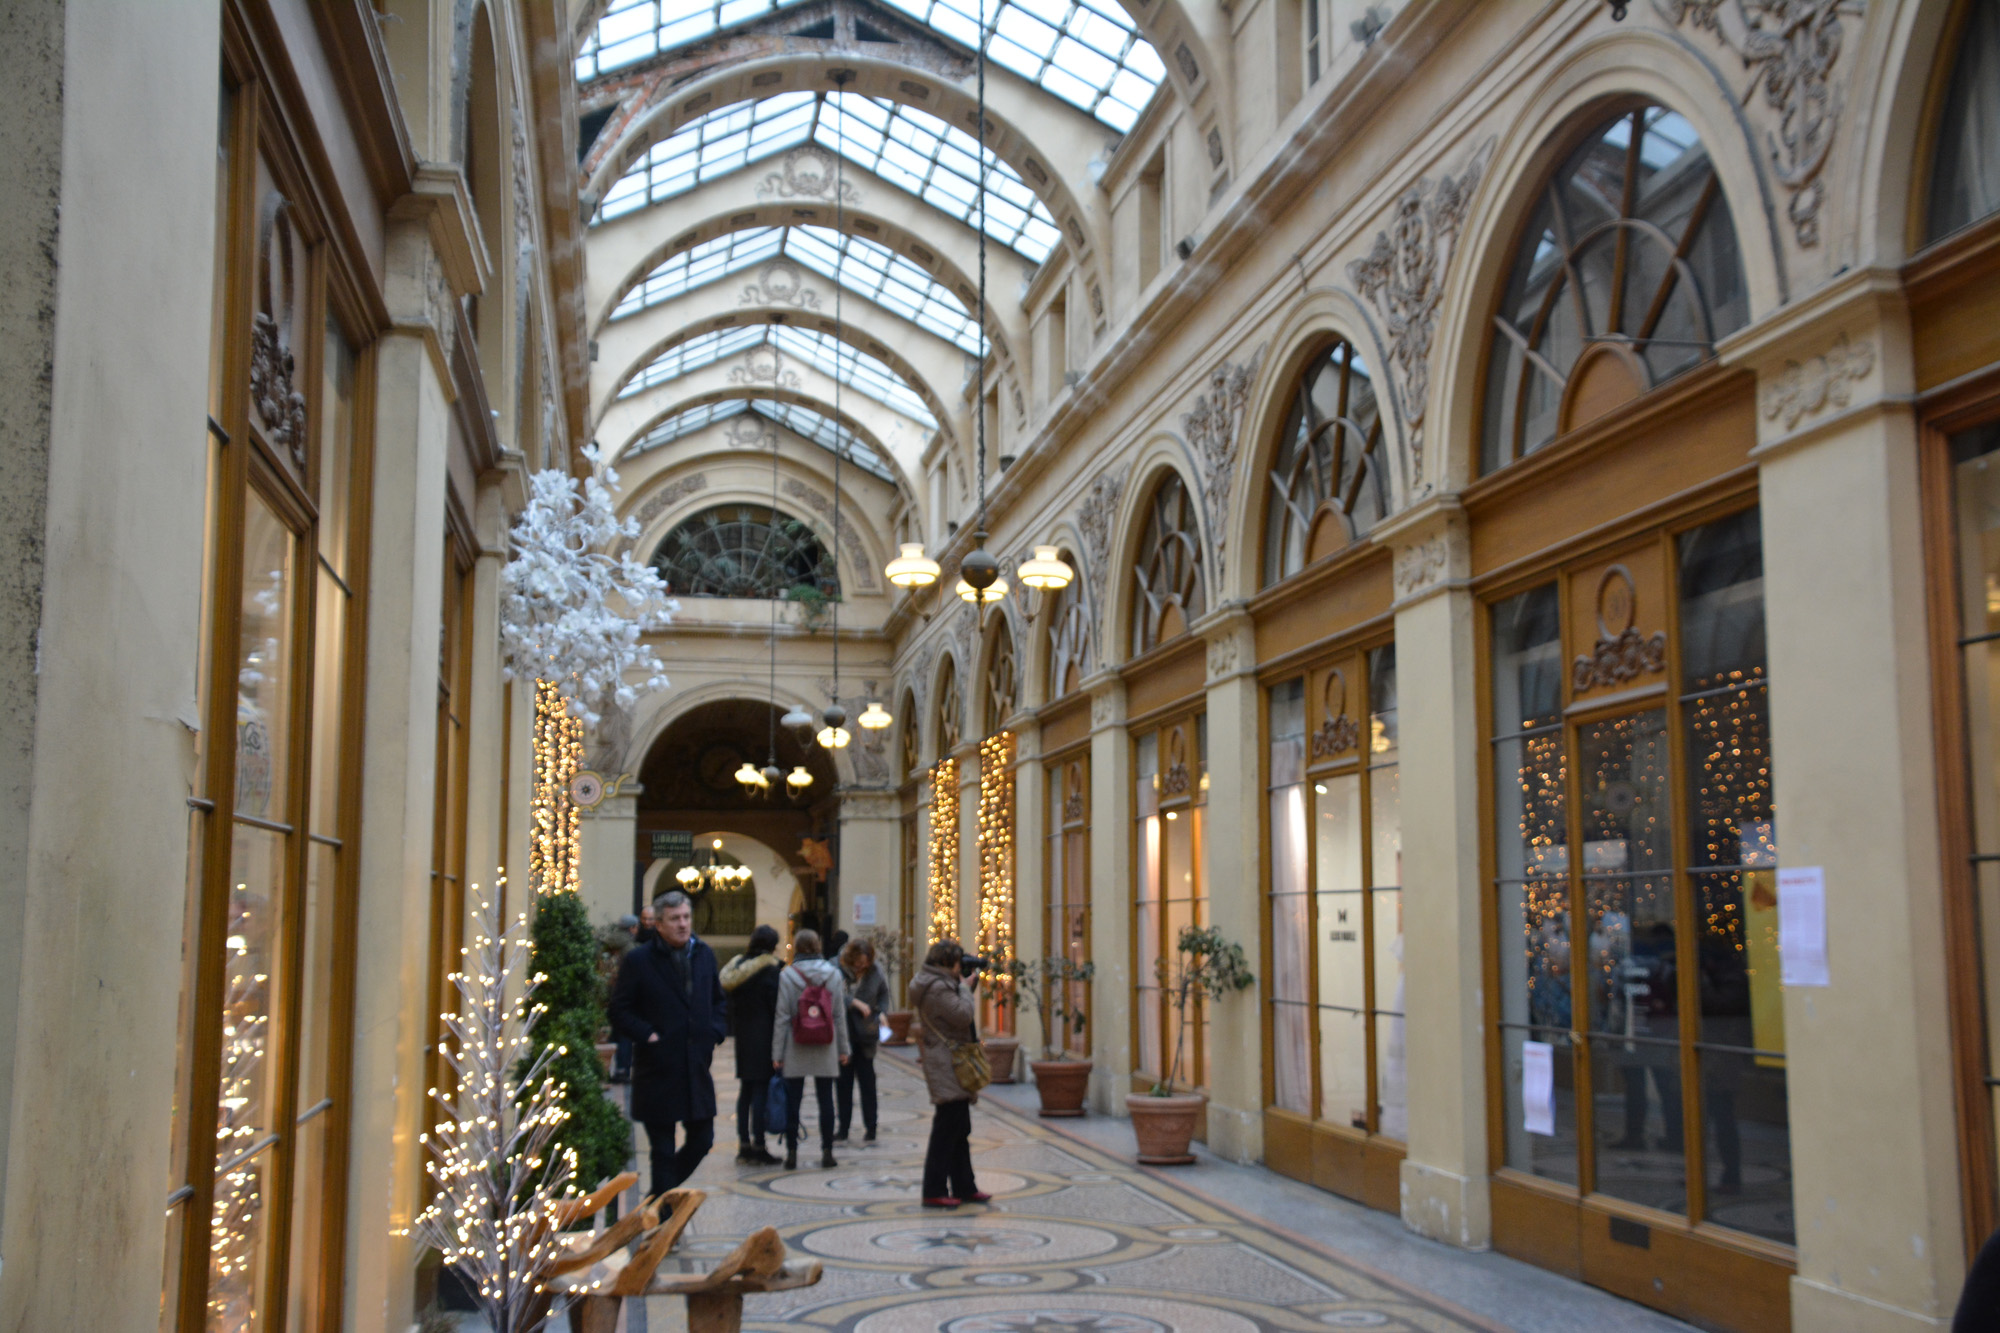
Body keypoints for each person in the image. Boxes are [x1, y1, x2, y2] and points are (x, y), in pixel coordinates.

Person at [608, 890, 728, 1196]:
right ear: (659, 924)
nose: (683, 924)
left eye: (686, 917)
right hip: (658, 1067)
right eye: (675, 919)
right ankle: (660, 1225)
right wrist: (647, 1034)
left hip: (696, 1067)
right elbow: (619, 1009)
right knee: (661, 1151)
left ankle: (656, 1200)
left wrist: (713, 1031)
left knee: (703, 1140)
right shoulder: (639, 960)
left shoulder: (703, 954)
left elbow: (718, 1000)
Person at [909, 939, 989, 1208]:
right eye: (958, 963)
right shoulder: (937, 988)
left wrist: (962, 986)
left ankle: (965, 1186)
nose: (960, 968)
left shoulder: (937, 983)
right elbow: (962, 1015)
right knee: (947, 1128)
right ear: (947, 963)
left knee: (959, 1127)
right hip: (947, 1062)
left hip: (948, 1059)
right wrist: (966, 990)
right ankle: (933, 1189)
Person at [771, 929, 850, 1169]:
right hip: (825, 1042)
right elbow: (838, 1015)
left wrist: (777, 1053)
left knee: (793, 1100)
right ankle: (827, 1151)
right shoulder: (834, 975)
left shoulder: (787, 975)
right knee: (826, 1099)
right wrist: (843, 1048)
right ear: (818, 946)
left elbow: (782, 1016)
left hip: (796, 1042)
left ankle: (792, 1153)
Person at [720, 924, 783, 1164]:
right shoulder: (770, 969)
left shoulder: (737, 966)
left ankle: (743, 1143)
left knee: (746, 1089)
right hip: (764, 1034)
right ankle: (759, 1145)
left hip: (743, 1034)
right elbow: (776, 1006)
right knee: (760, 1090)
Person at [836, 938, 889, 1143]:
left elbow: (884, 993)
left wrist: (883, 1012)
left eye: (866, 962)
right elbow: (834, 995)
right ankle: (843, 1128)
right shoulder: (838, 969)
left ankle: (871, 1127)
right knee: (843, 1084)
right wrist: (854, 1002)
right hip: (845, 1035)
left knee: (868, 1083)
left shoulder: (875, 971)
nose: (862, 966)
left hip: (866, 1035)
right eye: (859, 962)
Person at [609, 913, 643, 1085]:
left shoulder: (611, 940)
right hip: (626, 995)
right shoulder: (630, 948)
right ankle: (623, 1069)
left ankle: (616, 1068)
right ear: (632, 928)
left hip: (610, 993)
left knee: (616, 1033)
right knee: (625, 1035)